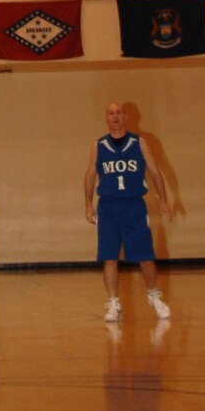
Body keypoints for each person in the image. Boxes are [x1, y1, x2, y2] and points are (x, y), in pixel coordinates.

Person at [84, 102, 173, 323]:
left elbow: (155, 172)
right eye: (110, 113)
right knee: (109, 256)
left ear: (126, 117)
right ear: (106, 118)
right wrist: (88, 204)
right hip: (108, 206)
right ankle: (113, 302)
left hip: (133, 205)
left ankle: (155, 296)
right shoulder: (99, 145)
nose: (115, 116)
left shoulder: (139, 142)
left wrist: (163, 200)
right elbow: (90, 175)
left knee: (145, 255)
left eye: (119, 113)